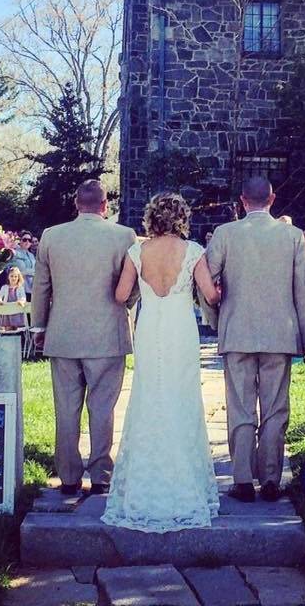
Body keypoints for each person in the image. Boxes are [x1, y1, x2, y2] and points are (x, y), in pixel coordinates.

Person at [102, 193, 222, 532]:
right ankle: (183, 481)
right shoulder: (194, 251)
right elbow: (210, 296)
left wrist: (144, 285)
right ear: (181, 218)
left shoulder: (137, 252)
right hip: (180, 329)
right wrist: (219, 292)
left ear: (152, 218)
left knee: (148, 395)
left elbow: (121, 296)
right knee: (181, 397)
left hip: (150, 326)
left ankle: (145, 482)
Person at [201, 177, 305, 503]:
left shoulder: (225, 234)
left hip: (237, 331)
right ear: (272, 199)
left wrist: (216, 321)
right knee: (276, 409)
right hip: (279, 333)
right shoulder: (292, 236)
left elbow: (207, 282)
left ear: (242, 201)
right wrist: (304, 335)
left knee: (240, 407)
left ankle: (243, 480)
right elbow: (301, 291)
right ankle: (271, 478)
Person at [31, 181, 138, 496]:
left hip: (63, 334)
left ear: (76, 204)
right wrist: (124, 306)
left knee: (66, 408)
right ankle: (101, 474)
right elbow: (131, 285)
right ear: (105, 205)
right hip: (107, 334)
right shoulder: (123, 236)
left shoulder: (52, 236)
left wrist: (39, 328)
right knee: (103, 407)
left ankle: (68, 476)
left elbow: (41, 287)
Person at [5, 231, 37, 299]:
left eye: (30, 240)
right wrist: (31, 272)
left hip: (32, 289)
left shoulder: (31, 255)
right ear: (20, 241)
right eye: (25, 239)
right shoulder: (14, 253)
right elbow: (10, 270)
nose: (27, 242)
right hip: (19, 289)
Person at [0, 266, 27, 330]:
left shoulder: (20, 288)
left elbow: (23, 297)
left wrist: (21, 301)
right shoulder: (4, 287)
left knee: (17, 328)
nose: (13, 278)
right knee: (8, 328)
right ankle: (8, 337)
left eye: (15, 276)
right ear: (8, 277)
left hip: (17, 310)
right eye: (12, 276)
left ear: (18, 278)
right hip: (8, 310)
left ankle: (17, 337)